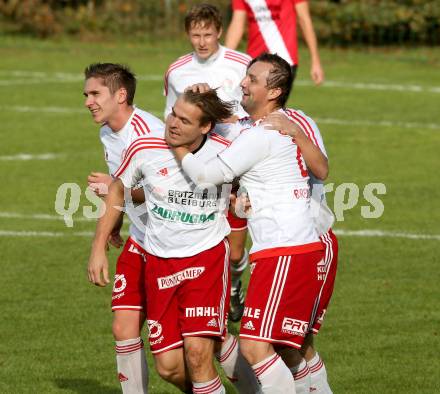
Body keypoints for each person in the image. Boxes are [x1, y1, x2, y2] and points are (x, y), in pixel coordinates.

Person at [169, 53, 334, 393]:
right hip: (287, 249)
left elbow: (206, 175)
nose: (242, 82)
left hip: (289, 249)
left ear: (274, 91)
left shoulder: (270, 131)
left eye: (252, 79)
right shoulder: (261, 127)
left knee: (257, 346)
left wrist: (178, 147)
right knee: (285, 350)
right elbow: (232, 123)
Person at [88, 90, 260, 394]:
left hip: (205, 259)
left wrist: (242, 204)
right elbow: (117, 189)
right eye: (173, 114)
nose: (173, 124)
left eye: (184, 120)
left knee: (197, 352)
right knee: (169, 367)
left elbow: (250, 193)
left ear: (205, 127)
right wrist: (99, 247)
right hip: (158, 261)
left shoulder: (226, 152)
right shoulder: (145, 146)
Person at [164, 2, 252, 322]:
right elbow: (171, 119)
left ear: (219, 32)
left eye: (208, 34)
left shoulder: (243, 65)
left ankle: (235, 283)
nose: (201, 41)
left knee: (238, 250)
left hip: (239, 162)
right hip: (199, 163)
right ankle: (207, 297)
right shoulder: (176, 71)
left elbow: (257, 114)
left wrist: (212, 103)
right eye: (195, 34)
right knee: (205, 236)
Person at [84, 62, 165, 393]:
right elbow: (123, 189)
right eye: (86, 94)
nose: (88, 101)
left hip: (174, 243)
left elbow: (167, 191)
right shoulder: (108, 132)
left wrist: (115, 190)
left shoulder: (150, 134)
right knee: (124, 327)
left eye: (95, 94)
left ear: (120, 95)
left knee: (190, 352)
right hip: (141, 239)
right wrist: (115, 221)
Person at [225, 0, 324, 85]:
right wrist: (225, 60)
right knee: (249, 104)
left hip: (284, 59)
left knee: (268, 104)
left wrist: (315, 61)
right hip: (254, 60)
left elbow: (304, 19)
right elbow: (237, 23)